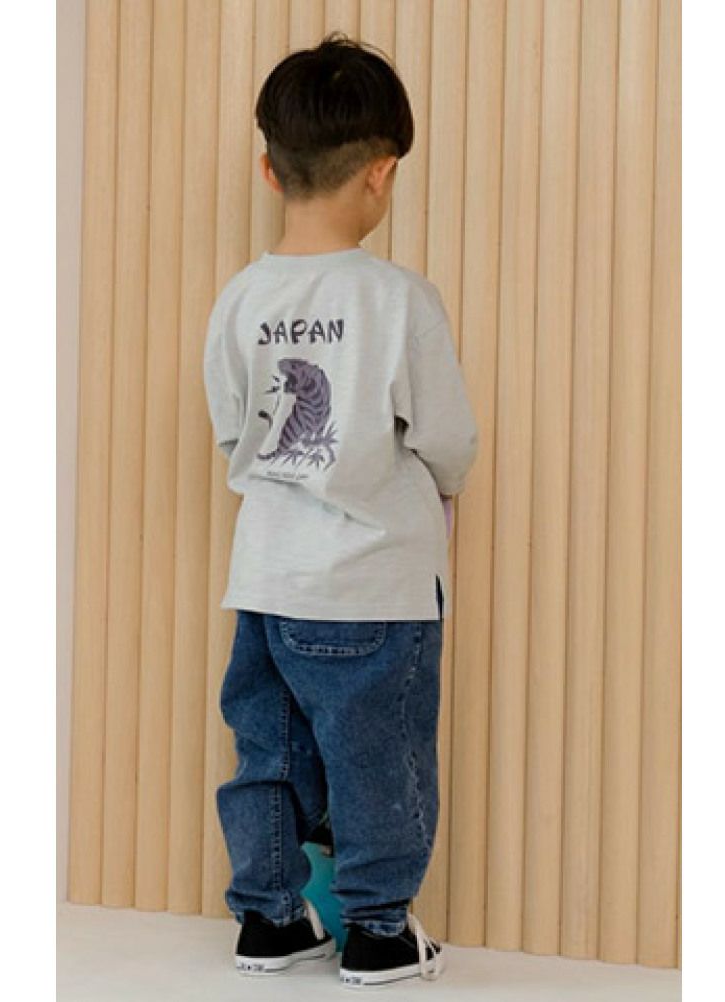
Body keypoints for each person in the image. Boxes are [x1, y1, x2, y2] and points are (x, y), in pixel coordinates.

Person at [203, 31, 478, 989]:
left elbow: (234, 434)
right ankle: (377, 931)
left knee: (269, 755)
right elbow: (447, 437)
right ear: (381, 172)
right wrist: (444, 485)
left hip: (268, 579)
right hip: (376, 586)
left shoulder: (240, 299)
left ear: (268, 170)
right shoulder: (400, 300)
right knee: (378, 757)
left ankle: (270, 919)